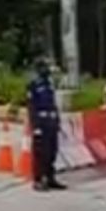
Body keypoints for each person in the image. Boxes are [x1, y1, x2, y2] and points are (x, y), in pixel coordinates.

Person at [26, 58, 66, 192]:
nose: (48, 70)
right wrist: (35, 126)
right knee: (40, 153)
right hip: (41, 122)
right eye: (45, 67)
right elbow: (32, 107)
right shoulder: (34, 85)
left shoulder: (49, 84)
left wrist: (57, 121)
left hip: (51, 121)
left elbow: (53, 104)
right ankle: (38, 180)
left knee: (52, 151)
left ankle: (50, 178)